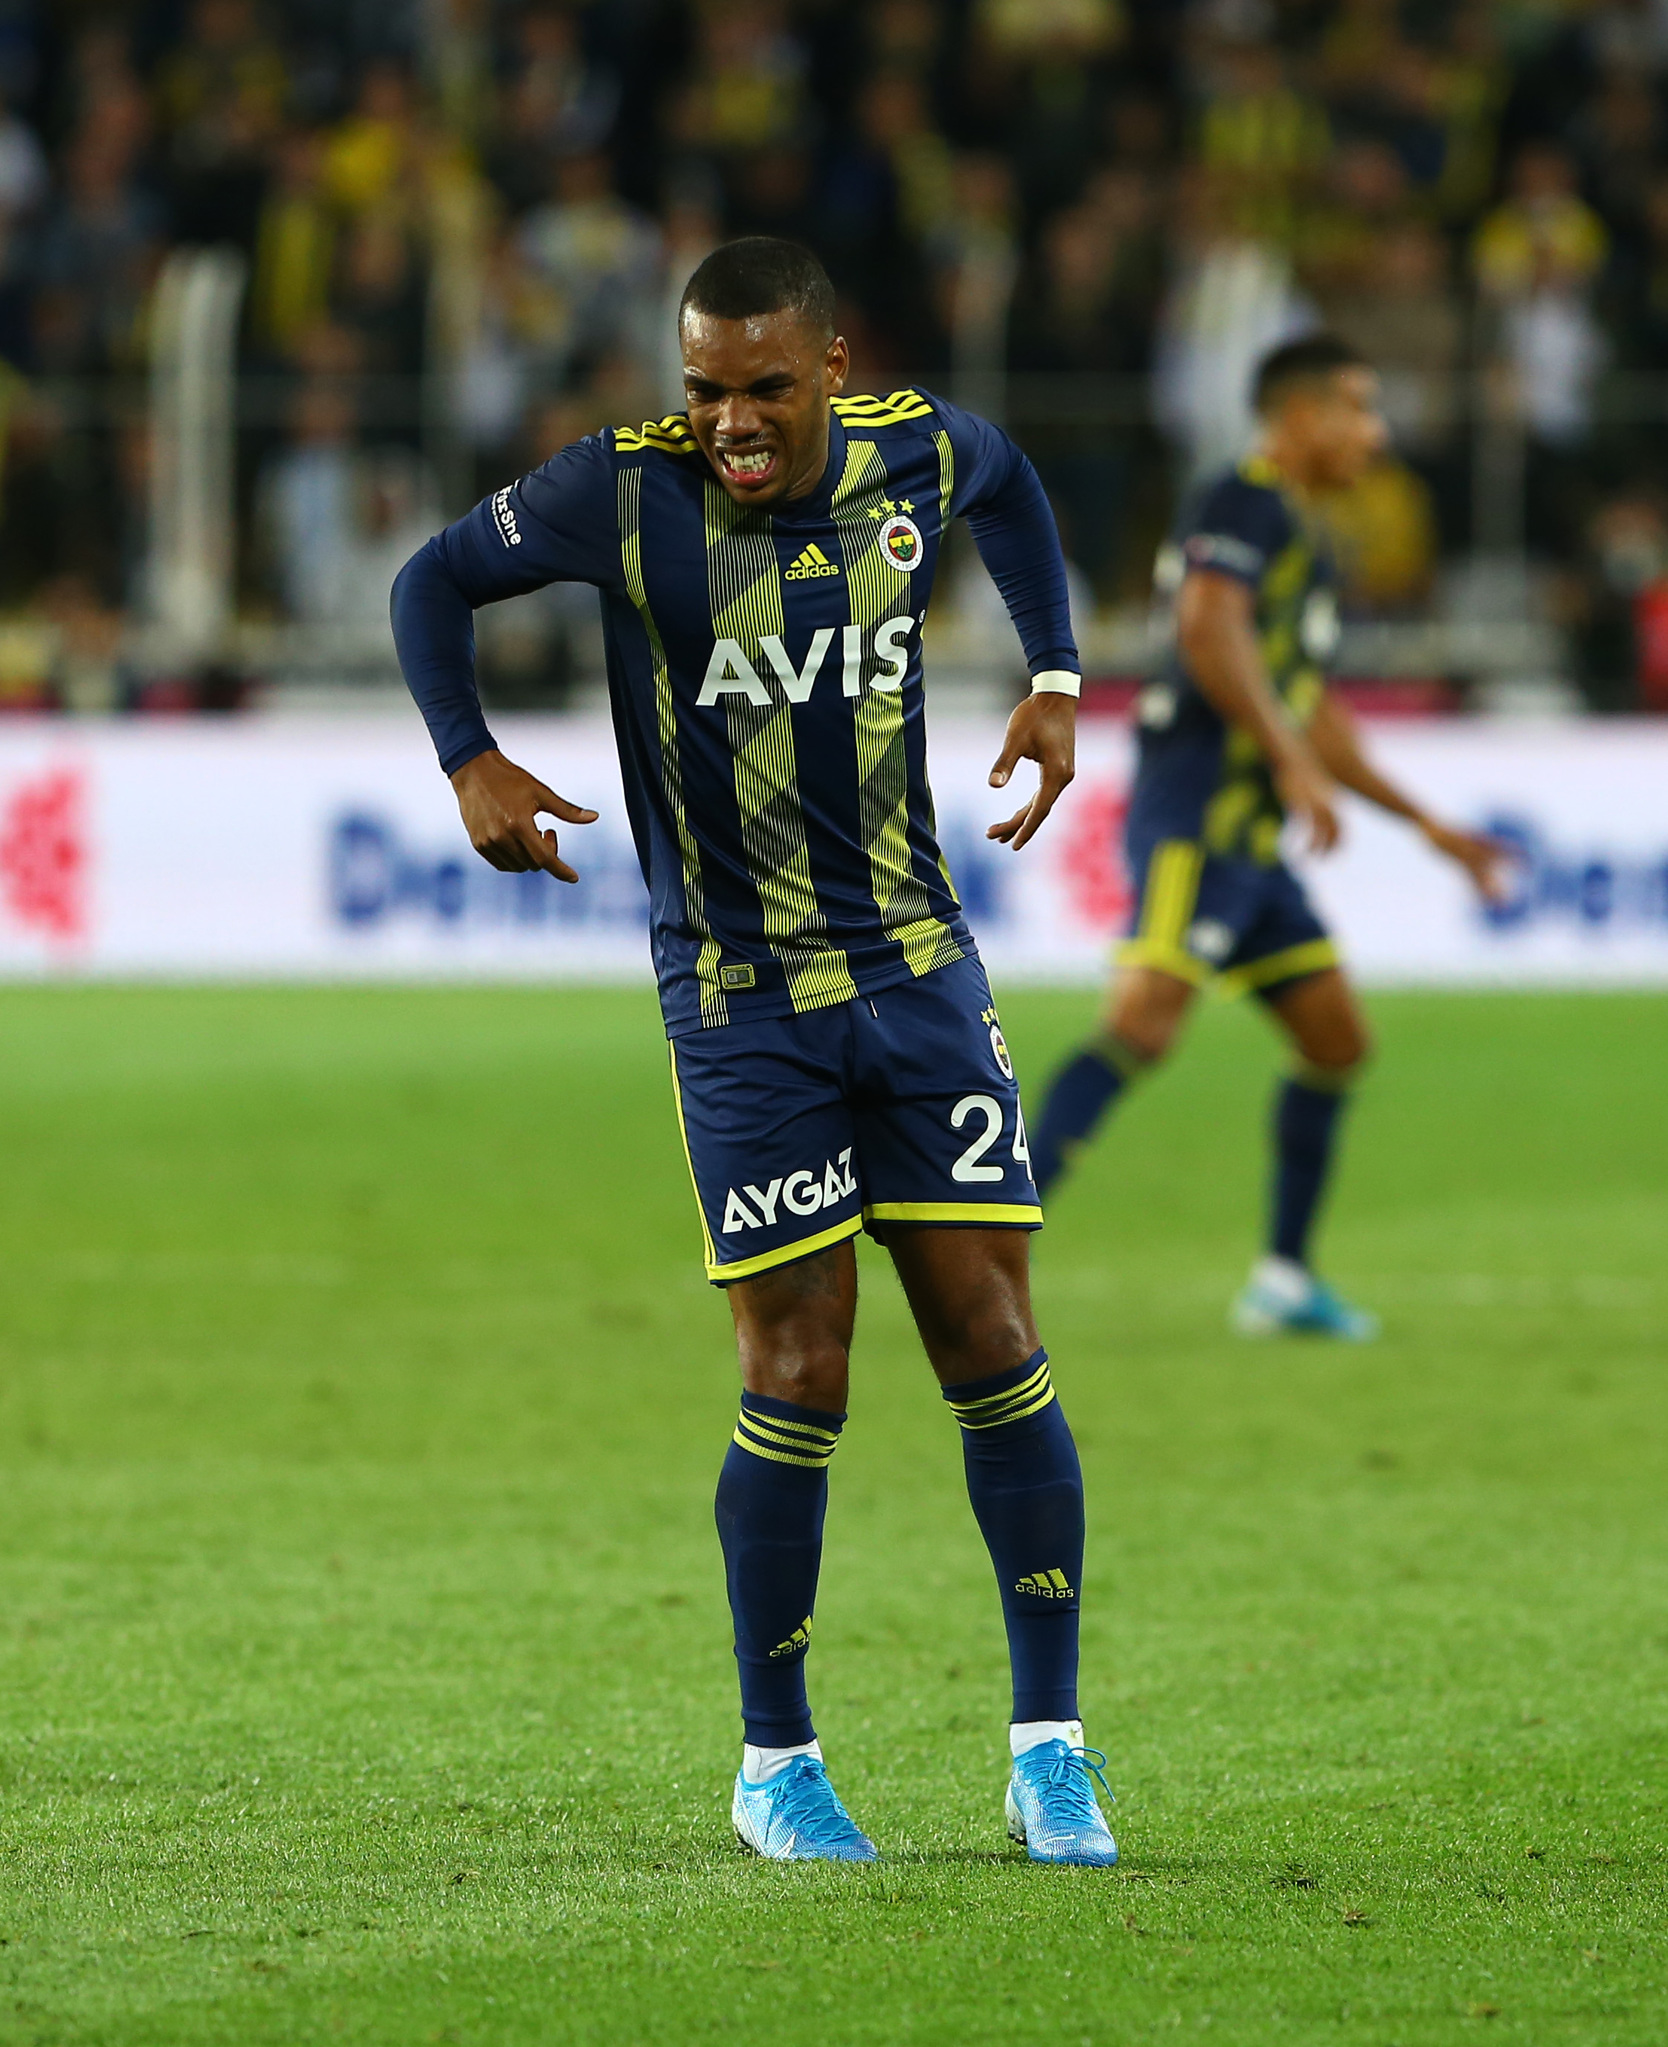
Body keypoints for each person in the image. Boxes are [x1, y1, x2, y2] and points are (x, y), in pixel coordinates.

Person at [390, 237, 1118, 1867]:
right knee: (797, 1367)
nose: (728, 420)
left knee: (994, 1336)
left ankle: (1050, 1752)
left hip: (918, 968)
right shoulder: (617, 489)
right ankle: (774, 1762)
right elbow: (428, 581)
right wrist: (467, 757)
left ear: (832, 369)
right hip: (739, 1000)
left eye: (764, 388)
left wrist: (1057, 672)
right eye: (704, 387)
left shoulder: (915, 451)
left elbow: (1012, 483)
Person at [1030, 333, 1506, 1339]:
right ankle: (974, 1239)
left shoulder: (1303, 537)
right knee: (1141, 1025)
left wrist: (1429, 826)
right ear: (1299, 416)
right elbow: (1207, 627)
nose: (1375, 433)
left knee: (1336, 1041)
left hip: (1252, 847)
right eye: (1359, 409)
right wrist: (1287, 757)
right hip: (1197, 822)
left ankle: (1283, 1279)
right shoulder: (1240, 497)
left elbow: (1311, 709)